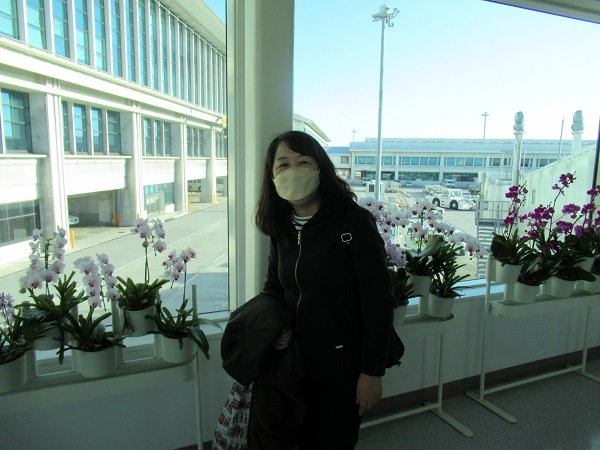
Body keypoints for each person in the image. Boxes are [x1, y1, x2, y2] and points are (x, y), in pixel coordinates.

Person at [254, 130, 395, 449]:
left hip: (343, 370)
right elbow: (273, 289)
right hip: (295, 364)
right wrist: (276, 327)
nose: (293, 170)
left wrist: (372, 372)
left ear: (320, 168)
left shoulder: (353, 221)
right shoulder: (282, 228)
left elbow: (378, 300)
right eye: (283, 164)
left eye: (303, 161)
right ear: (272, 176)